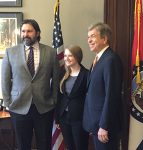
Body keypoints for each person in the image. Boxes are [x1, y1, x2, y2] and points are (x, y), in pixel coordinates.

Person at [1, 19, 60, 150]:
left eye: (29, 31)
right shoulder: (11, 52)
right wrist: (8, 102)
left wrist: (54, 100)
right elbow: (4, 80)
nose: (25, 34)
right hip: (19, 107)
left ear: (37, 33)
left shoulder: (50, 52)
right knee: (23, 145)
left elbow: (56, 79)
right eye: (23, 31)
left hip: (44, 107)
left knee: (44, 144)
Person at [83, 22, 123, 150]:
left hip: (105, 126)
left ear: (104, 39)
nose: (89, 40)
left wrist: (104, 126)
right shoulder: (99, 58)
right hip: (96, 123)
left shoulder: (111, 60)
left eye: (93, 36)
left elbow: (112, 95)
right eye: (88, 37)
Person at [55, 45, 89, 150]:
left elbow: (89, 99)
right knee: (69, 147)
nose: (66, 58)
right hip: (64, 117)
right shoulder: (63, 73)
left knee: (80, 146)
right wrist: (57, 118)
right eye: (65, 55)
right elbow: (59, 97)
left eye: (70, 56)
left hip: (79, 118)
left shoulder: (87, 74)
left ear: (77, 57)